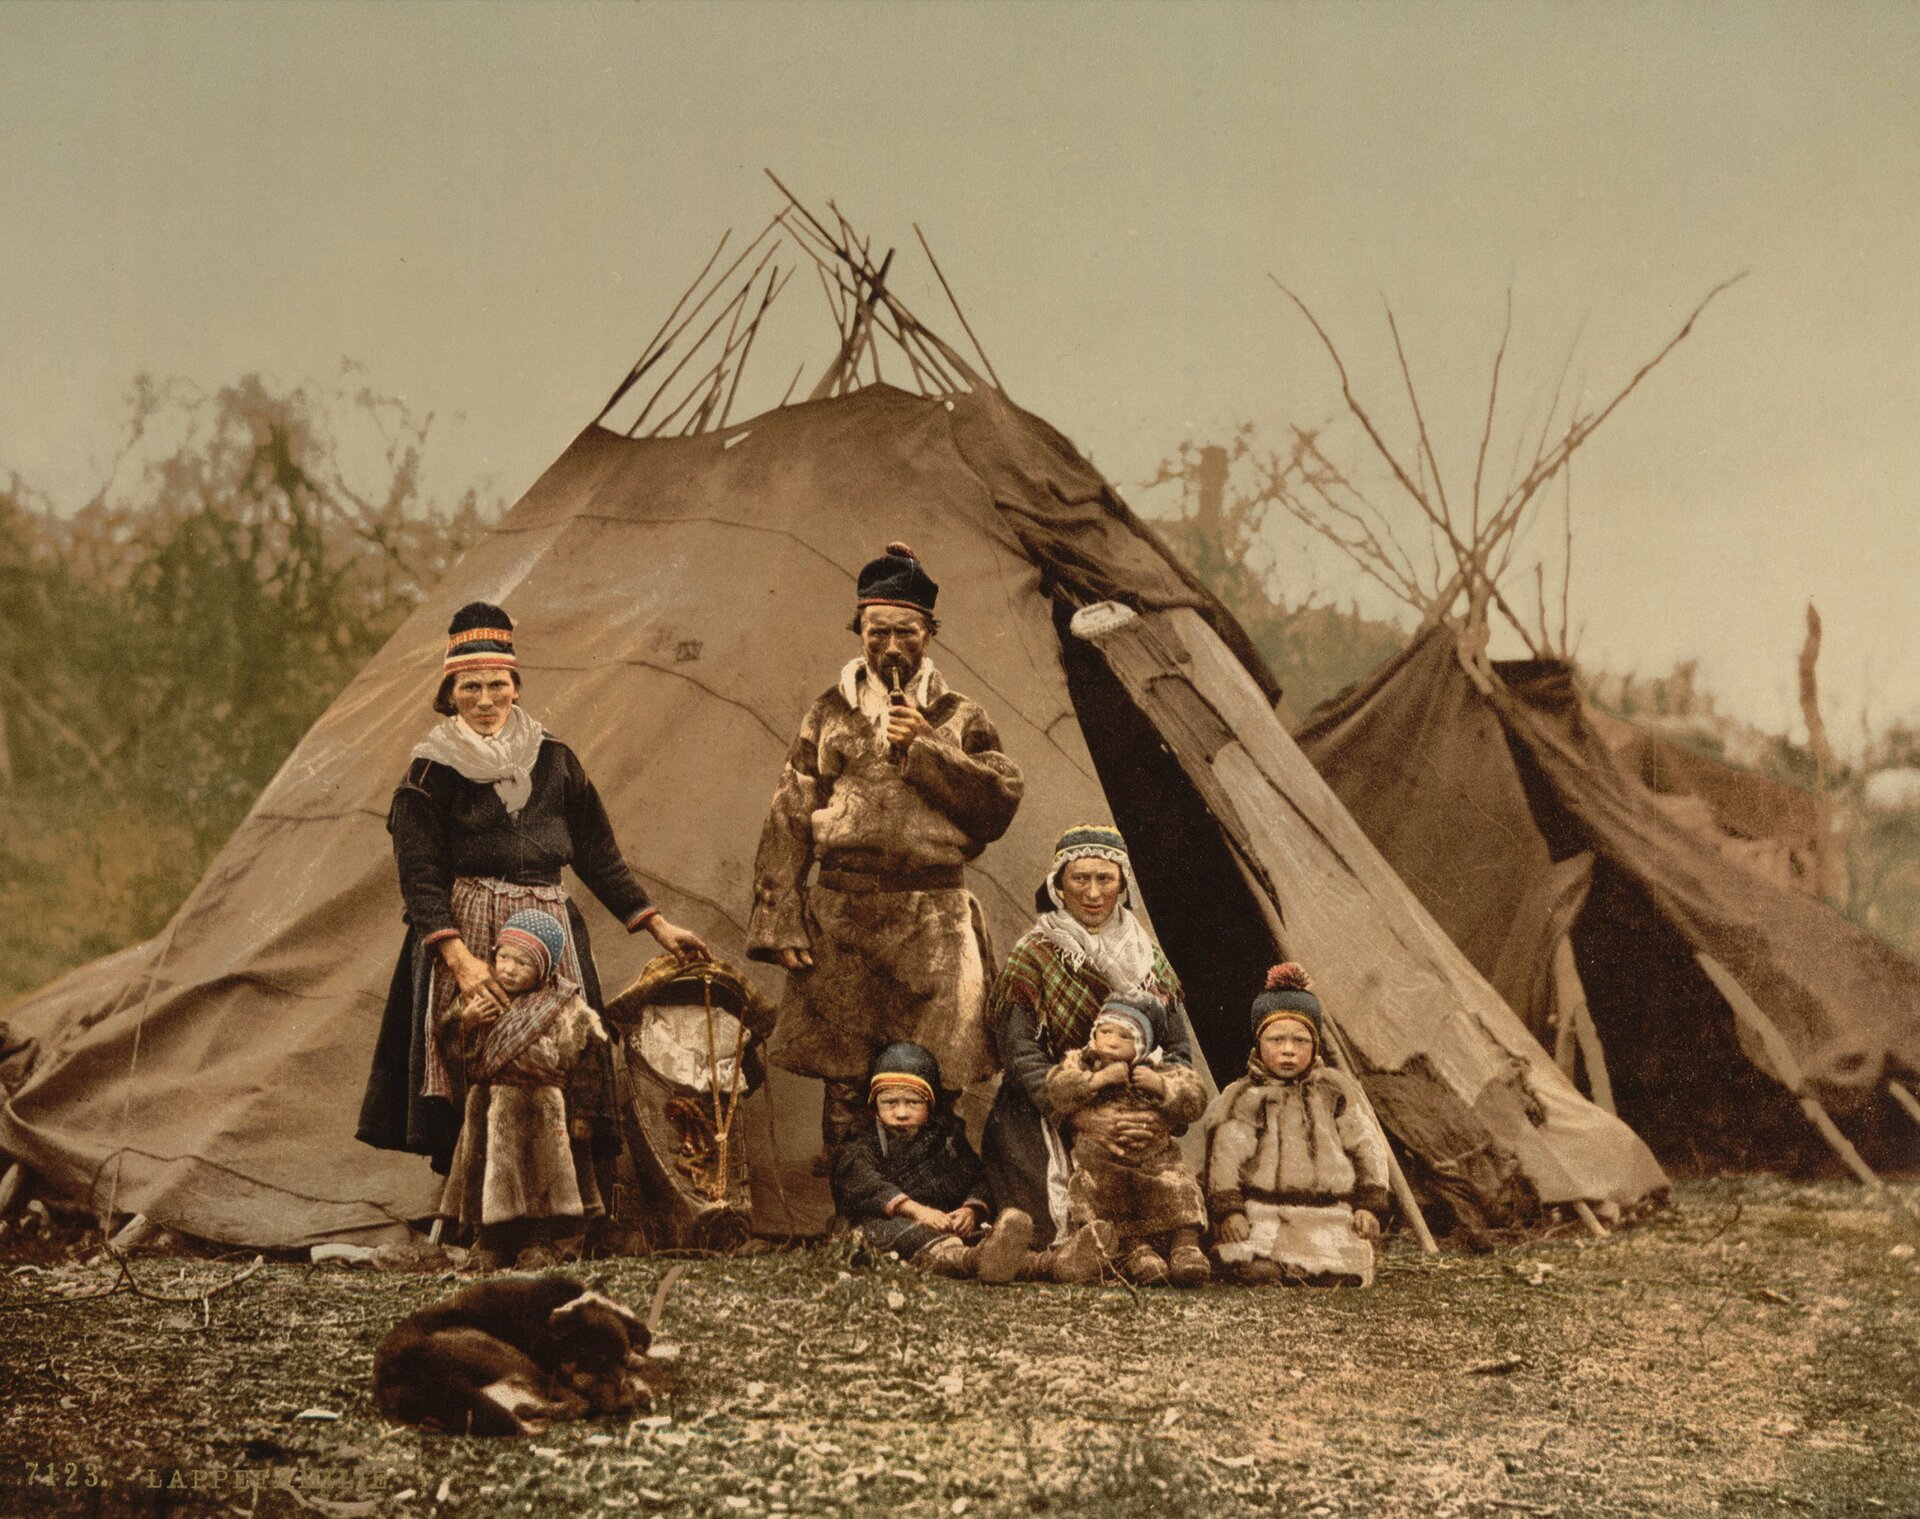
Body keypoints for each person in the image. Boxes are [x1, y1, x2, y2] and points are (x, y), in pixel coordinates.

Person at [358, 601, 707, 1194]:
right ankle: (476, 1209)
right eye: (470, 687)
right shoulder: (428, 772)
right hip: (467, 933)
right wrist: (461, 962)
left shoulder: (556, 760)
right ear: (450, 694)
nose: (485, 700)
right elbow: (419, 879)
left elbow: (598, 854)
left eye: (497, 684)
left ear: (516, 687)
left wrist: (656, 925)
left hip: (549, 929)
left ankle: (561, 1206)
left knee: (564, 1056)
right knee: (475, 1055)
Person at [747, 543, 1024, 1151]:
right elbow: (790, 814)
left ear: (929, 633)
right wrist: (782, 918)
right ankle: (854, 1197)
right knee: (848, 1079)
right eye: (878, 633)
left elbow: (997, 805)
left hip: (934, 920)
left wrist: (927, 746)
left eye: (907, 632)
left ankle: (933, 1195)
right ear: (860, 631)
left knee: (936, 1075)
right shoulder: (828, 712)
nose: (892, 647)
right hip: (843, 914)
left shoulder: (960, 715)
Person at [980, 824, 1200, 1248]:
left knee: (1161, 1212)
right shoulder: (1032, 955)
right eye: (1080, 879)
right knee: (1051, 1228)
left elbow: (1176, 1050)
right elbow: (1020, 1053)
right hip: (1045, 1110)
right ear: (1059, 885)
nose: (1093, 893)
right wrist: (1078, 1115)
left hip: (1132, 1109)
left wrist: (1159, 1115)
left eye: (1105, 879)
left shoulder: (1149, 960)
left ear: (1123, 885)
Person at [829, 1042, 1111, 1283]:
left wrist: (970, 1210)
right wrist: (917, 1212)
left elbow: (977, 1177)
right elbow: (864, 1182)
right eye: (890, 1103)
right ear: (874, 1105)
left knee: (990, 1242)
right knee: (896, 1235)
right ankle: (977, 1261)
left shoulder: (945, 1139)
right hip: (887, 1226)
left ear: (930, 1105)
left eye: (913, 1103)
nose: (901, 1112)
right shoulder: (861, 1143)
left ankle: (1055, 1264)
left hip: (943, 1226)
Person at [435, 909, 608, 1270]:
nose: (509, 969)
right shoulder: (479, 998)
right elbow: (450, 1049)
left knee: (540, 1179)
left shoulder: (565, 1006)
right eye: (503, 957)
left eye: (523, 962)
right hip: (488, 1106)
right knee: (486, 1176)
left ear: (543, 969)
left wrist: (584, 1113)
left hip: (541, 1108)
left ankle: (538, 1244)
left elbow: (589, 1061)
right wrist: (465, 1023)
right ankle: (490, 1244)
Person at [1204, 964, 1391, 1287]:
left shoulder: (1334, 1090)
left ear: (1315, 1045)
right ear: (1258, 1043)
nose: (1288, 1050)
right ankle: (1270, 1266)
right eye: (1276, 1040)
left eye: (1300, 1041)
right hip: (1264, 1211)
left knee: (1342, 1265)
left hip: (1328, 1211)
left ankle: (1317, 1268)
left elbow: (1367, 1147)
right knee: (1252, 1261)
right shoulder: (1245, 1096)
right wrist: (1230, 1210)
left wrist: (1369, 1205)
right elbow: (1226, 1155)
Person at [1041, 994, 1210, 1286]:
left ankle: (1185, 1246)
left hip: (1156, 1159)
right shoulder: (1082, 1065)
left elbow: (1195, 1098)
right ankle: (1136, 1252)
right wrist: (1097, 1080)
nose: (1112, 1042)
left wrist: (1162, 1087)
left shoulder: (1157, 1068)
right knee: (1103, 1195)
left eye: (1125, 1036)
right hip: (1104, 1162)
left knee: (1179, 1184)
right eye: (1105, 1031)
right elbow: (1056, 1090)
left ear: (1143, 1044)